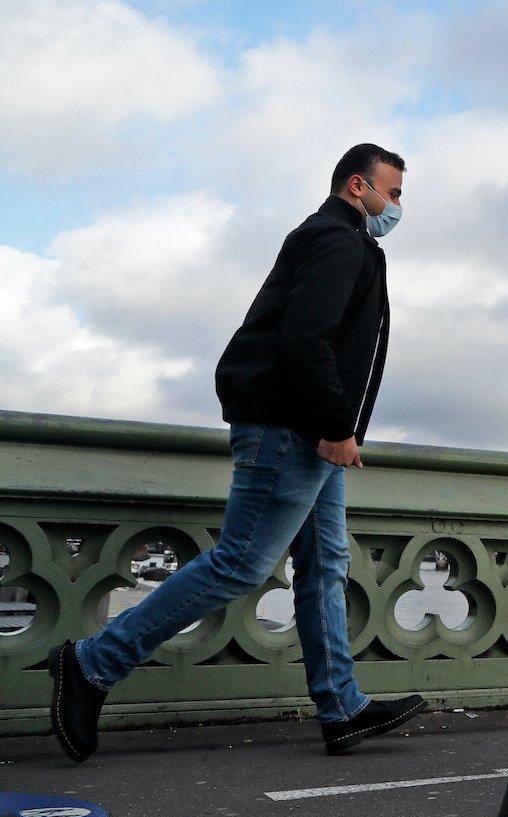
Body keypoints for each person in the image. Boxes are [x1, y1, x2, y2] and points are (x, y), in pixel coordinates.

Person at [48, 144, 425, 761]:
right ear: (358, 187)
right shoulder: (337, 240)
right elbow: (308, 338)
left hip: (307, 428)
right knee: (240, 564)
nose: (398, 206)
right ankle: (91, 664)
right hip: (294, 428)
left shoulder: (338, 240)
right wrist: (335, 423)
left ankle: (341, 707)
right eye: (395, 193)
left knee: (325, 566)